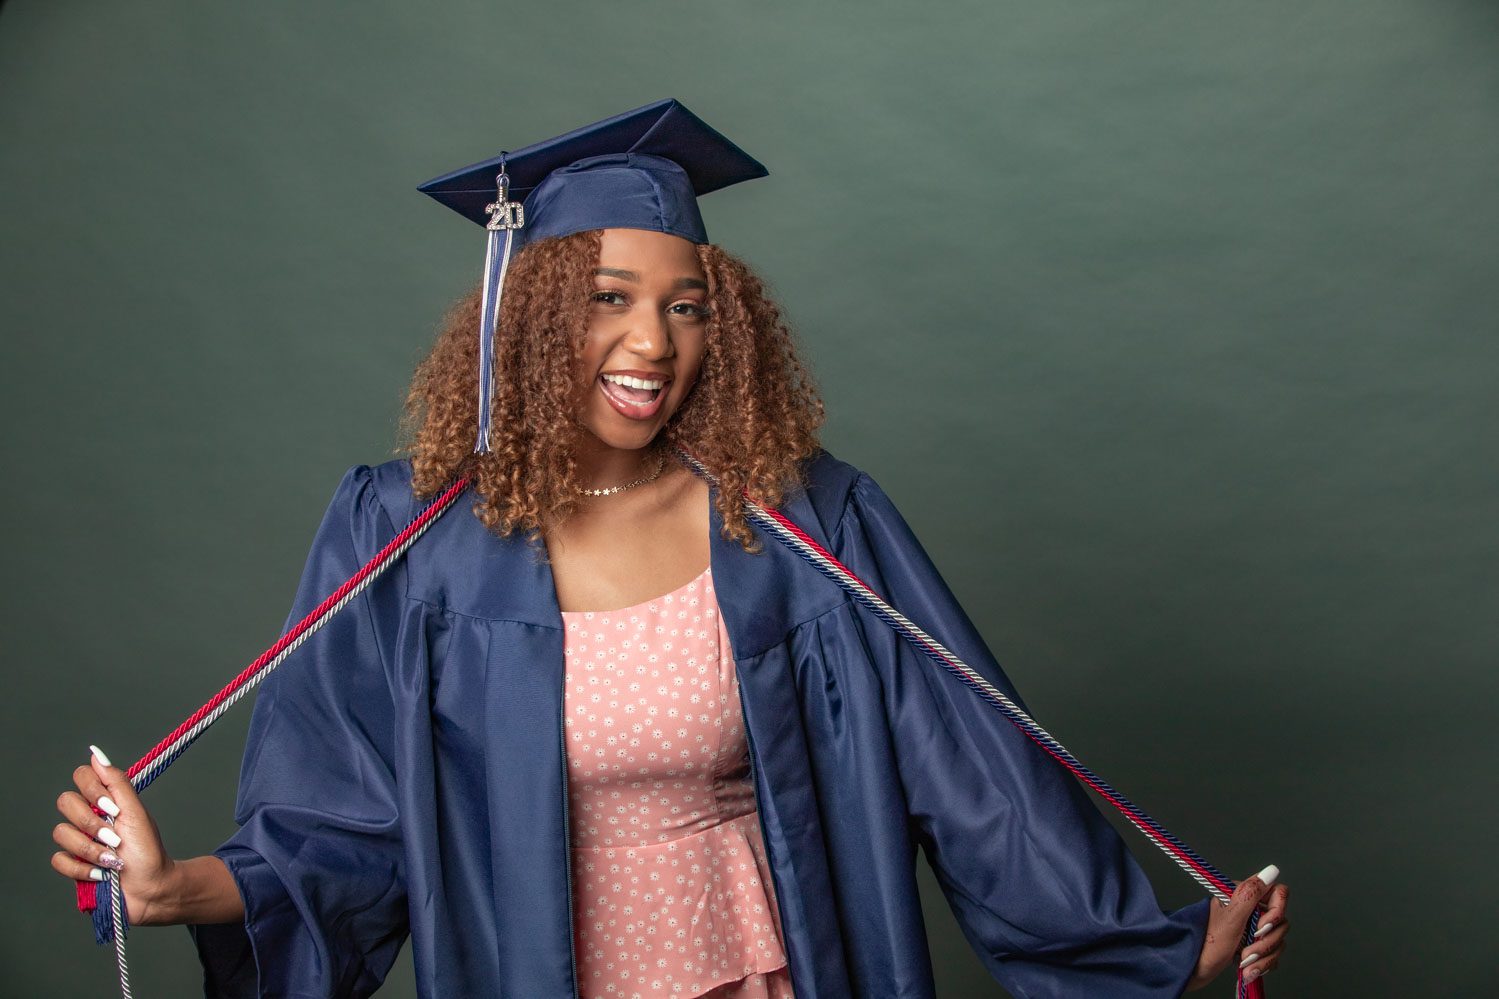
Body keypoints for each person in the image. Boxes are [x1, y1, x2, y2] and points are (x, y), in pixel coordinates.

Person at [50, 100, 1290, 998]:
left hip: (767, 968)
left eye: (684, 304)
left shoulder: (806, 523)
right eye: (605, 297)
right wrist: (175, 893)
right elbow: (338, 830)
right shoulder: (406, 533)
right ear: (529, 318)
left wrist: (1162, 955)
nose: (651, 340)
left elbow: (978, 784)